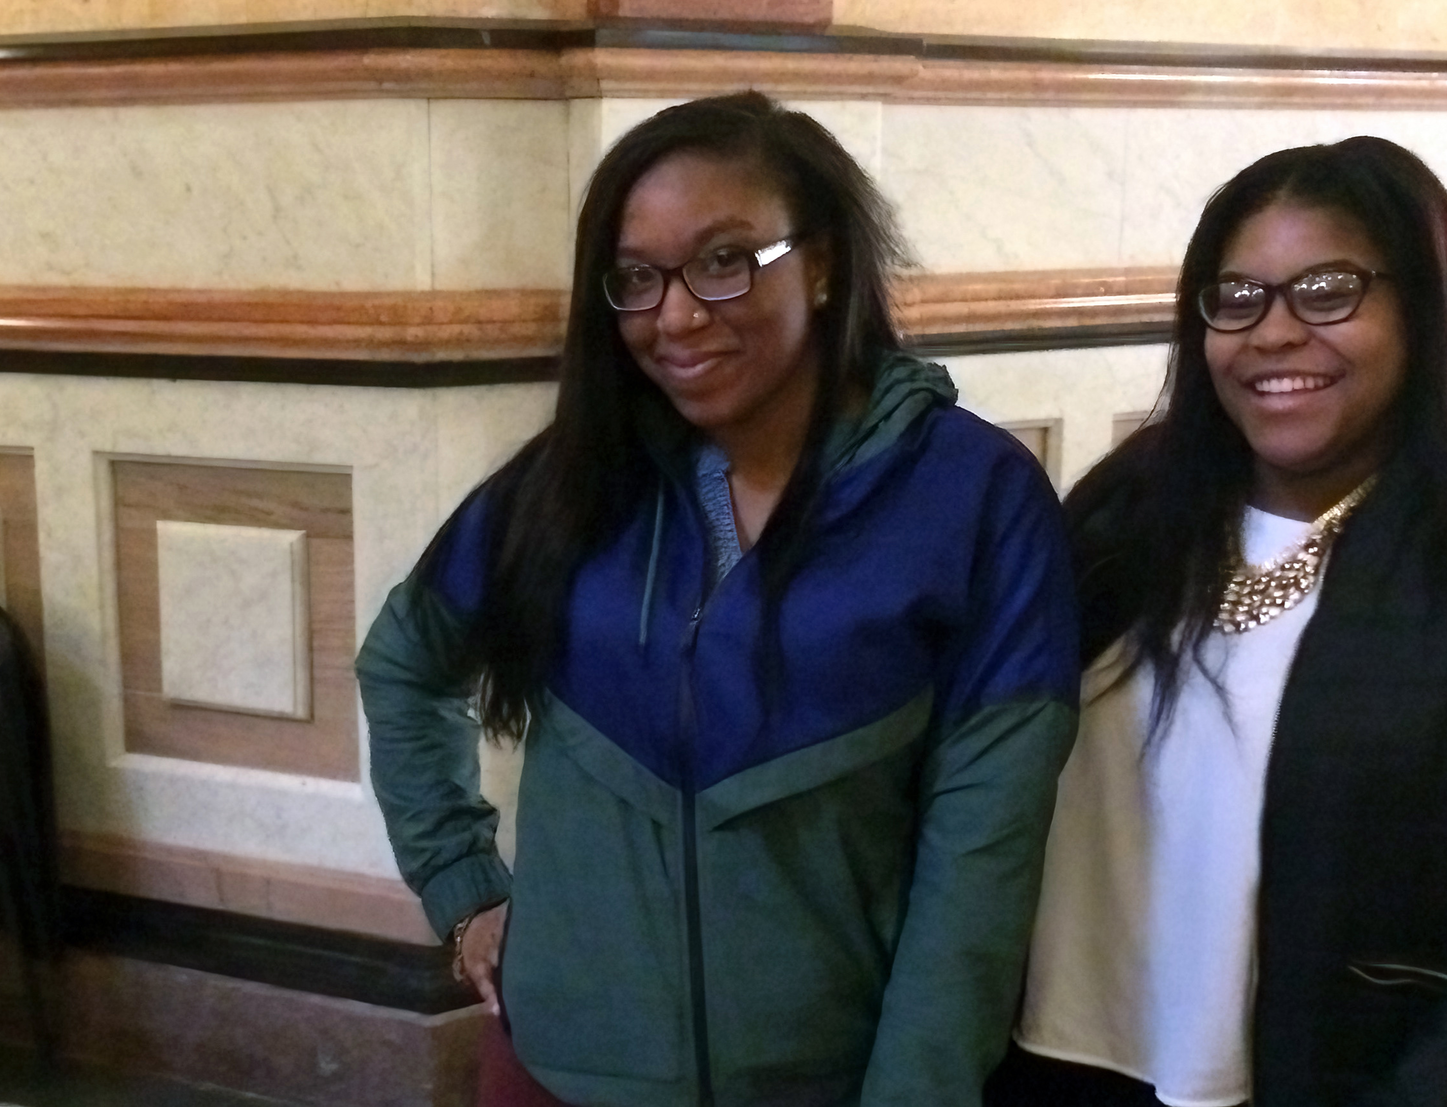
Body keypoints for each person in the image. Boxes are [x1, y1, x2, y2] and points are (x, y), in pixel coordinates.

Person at [358, 92, 1079, 1107]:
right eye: (637, 279)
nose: (677, 314)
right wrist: (464, 889)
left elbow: (983, 865)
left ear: (822, 262)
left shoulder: (972, 498)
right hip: (557, 1069)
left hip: (832, 1078)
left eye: (724, 259)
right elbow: (404, 660)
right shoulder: (575, 479)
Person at [989, 136, 1447, 1107]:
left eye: (1327, 290)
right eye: (1237, 298)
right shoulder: (1133, 507)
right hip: (1056, 1068)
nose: (1271, 333)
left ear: (1427, 308)